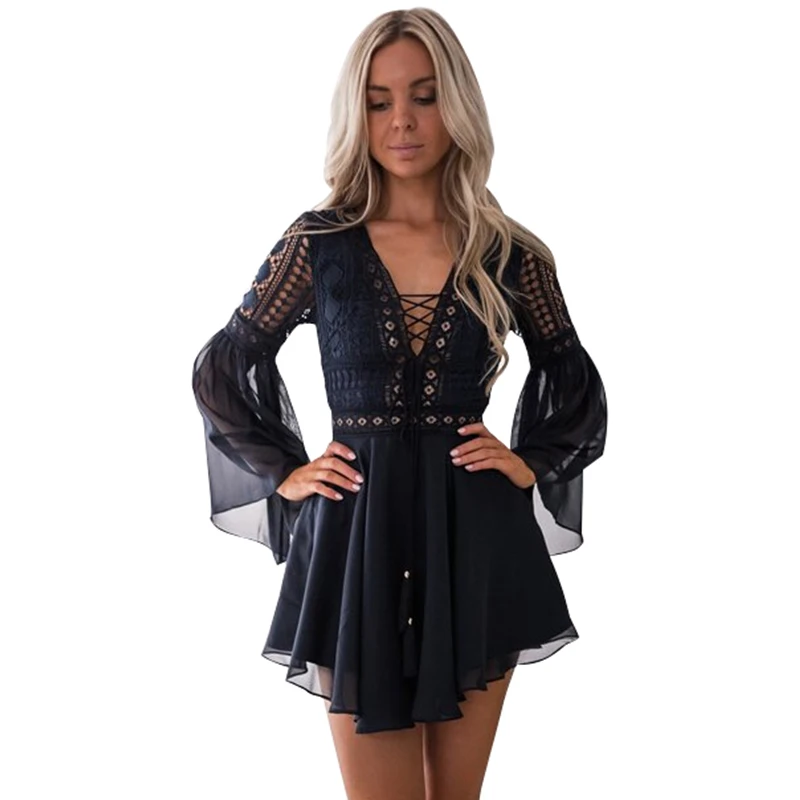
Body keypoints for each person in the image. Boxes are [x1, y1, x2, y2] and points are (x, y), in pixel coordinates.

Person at [191, 7, 608, 799]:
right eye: (379, 101)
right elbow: (223, 365)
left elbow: (573, 378)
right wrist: (286, 471)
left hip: (477, 541)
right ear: (358, 113)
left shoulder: (507, 252)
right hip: (355, 541)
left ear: (458, 104)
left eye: (424, 95)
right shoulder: (318, 244)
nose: (402, 121)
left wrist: (531, 462)